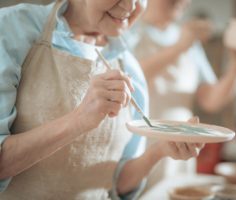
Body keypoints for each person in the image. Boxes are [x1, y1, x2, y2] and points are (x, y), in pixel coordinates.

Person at [0, 0, 204, 199]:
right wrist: (79, 120)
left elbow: (117, 183)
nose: (130, 6)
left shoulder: (130, 66)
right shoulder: (10, 29)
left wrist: (159, 150)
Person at [129, 0, 236, 188]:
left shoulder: (187, 39)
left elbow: (210, 100)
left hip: (180, 147)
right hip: (138, 148)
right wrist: (179, 47)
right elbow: (130, 77)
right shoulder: (128, 30)